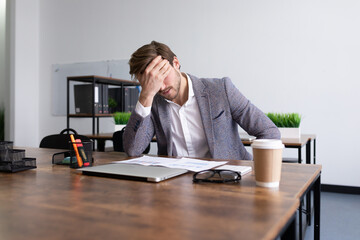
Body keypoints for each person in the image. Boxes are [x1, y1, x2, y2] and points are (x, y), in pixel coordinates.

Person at [123, 41, 280, 160]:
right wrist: (146, 95)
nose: (161, 86)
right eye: (153, 81)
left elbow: (269, 132)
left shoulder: (221, 89)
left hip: (226, 181)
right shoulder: (152, 102)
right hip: (176, 187)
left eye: (163, 74)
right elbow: (133, 150)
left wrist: (256, 171)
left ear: (176, 63)